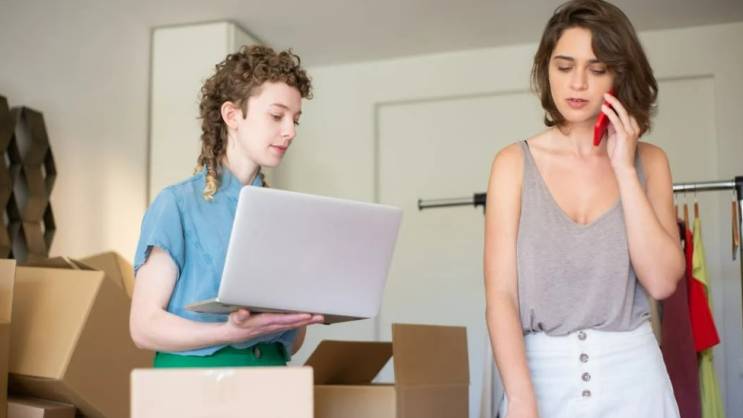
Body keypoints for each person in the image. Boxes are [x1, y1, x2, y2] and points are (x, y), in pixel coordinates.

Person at [484, 1, 684, 417]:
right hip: (540, 377)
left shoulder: (650, 162)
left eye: (597, 69)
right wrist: (519, 396)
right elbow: (501, 295)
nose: (577, 83)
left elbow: (662, 281)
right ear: (546, 69)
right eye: (564, 66)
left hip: (635, 378)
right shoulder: (512, 164)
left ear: (620, 74)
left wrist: (624, 169)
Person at [130, 45, 324, 368]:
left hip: (273, 375)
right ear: (232, 115)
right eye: (277, 116)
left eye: (295, 120)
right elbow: (143, 327)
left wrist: (299, 310)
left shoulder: (284, 215)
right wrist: (227, 332)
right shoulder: (176, 205)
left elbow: (291, 343)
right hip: (196, 380)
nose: (290, 131)